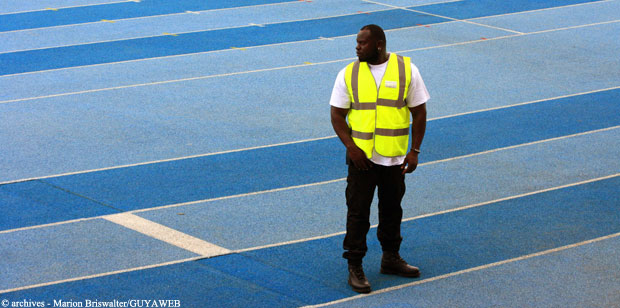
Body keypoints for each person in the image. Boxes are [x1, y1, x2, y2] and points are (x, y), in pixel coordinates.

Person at [329, 24, 429, 293]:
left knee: (392, 210)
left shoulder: (407, 69)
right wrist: (351, 148)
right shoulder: (348, 73)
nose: (357, 47)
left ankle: (391, 258)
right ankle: (355, 265)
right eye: (357, 42)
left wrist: (414, 151)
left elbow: (420, 112)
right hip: (361, 160)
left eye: (362, 43)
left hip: (394, 158)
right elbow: (337, 115)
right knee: (358, 213)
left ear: (379, 45)